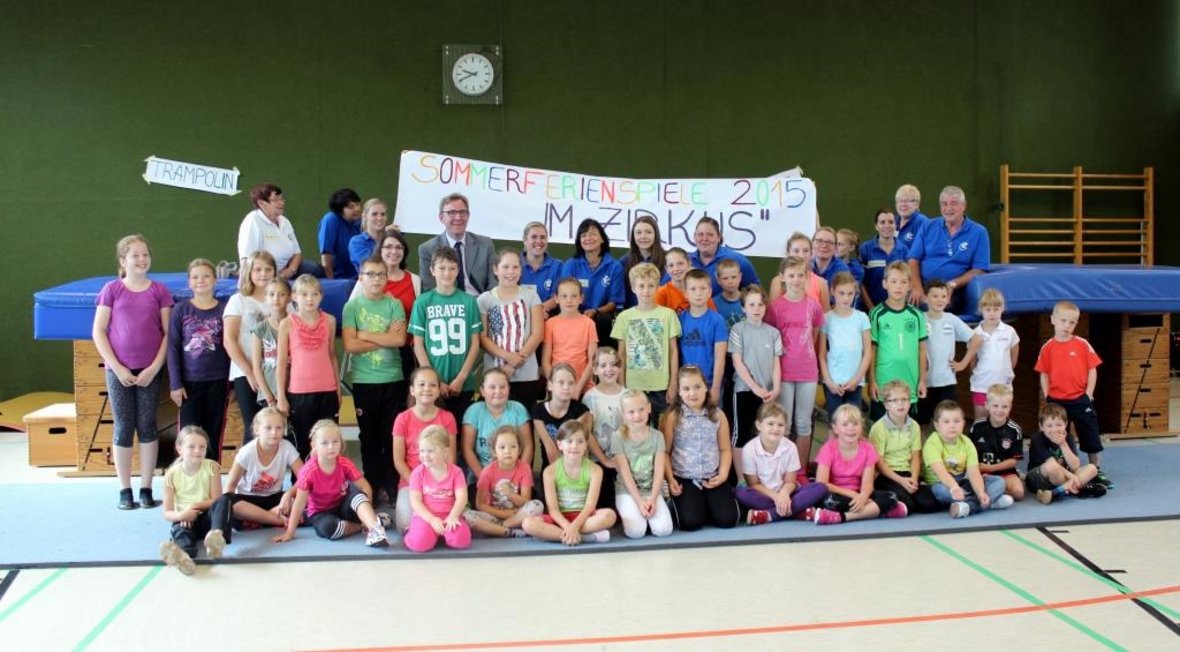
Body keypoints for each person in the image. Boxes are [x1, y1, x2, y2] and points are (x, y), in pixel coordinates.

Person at [92, 234, 173, 510]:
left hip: (149, 370)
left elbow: (166, 334)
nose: (142, 259)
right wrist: (116, 367)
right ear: (123, 260)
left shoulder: (159, 290)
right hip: (119, 370)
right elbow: (99, 331)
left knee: (148, 425)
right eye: (135, 255)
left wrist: (154, 367)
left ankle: (147, 486)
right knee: (124, 426)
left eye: (145, 254)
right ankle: (124, 488)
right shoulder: (112, 290)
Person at [342, 255, 408, 503]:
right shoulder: (352, 307)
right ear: (361, 277)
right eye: (370, 274)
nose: (376, 279)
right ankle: (370, 485)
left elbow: (399, 341)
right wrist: (383, 336)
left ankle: (391, 486)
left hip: (393, 379)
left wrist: (366, 334)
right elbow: (349, 345)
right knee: (368, 437)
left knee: (390, 436)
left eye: (381, 274)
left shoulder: (394, 305)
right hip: (364, 381)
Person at [272, 420, 390, 547]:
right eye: (325, 443)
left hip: (343, 506)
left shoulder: (344, 463)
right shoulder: (308, 471)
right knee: (328, 529)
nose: (331, 447)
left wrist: (368, 508)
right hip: (320, 513)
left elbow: (365, 486)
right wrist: (290, 533)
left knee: (358, 495)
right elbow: (299, 504)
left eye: (335, 442)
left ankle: (375, 529)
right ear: (314, 445)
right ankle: (368, 523)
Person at [1035, 300, 1110, 488]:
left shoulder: (1082, 344)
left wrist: (1088, 394)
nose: (1067, 326)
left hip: (1080, 399)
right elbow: (1044, 374)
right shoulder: (1047, 347)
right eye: (1063, 321)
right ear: (1053, 320)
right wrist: (1048, 397)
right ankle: (1064, 471)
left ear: (1076, 324)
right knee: (1059, 436)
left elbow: (1093, 369)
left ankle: (1096, 469)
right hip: (1057, 401)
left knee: (1090, 433)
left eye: (1072, 322)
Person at [409, 245, 482, 422]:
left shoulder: (468, 302)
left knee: (461, 433)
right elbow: (418, 345)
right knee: (434, 435)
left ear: (458, 270)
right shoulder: (423, 302)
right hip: (432, 385)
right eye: (441, 268)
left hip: (462, 383)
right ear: (432, 270)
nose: (447, 273)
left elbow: (475, 344)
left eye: (451, 268)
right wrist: (435, 380)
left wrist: (462, 377)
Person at [662, 366, 739, 531]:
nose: (692, 393)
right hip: (685, 478)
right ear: (680, 392)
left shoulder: (718, 415)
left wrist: (723, 474)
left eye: (697, 387)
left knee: (728, 520)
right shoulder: (674, 417)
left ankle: (708, 503)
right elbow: (666, 452)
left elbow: (725, 449)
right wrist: (671, 479)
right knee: (691, 523)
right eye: (686, 389)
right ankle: (689, 504)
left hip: (712, 477)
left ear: (706, 387)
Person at [167, 258, 229, 461]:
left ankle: (212, 479)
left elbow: (231, 346)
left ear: (215, 280)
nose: (200, 280)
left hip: (218, 382)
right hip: (188, 385)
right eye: (195, 277)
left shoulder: (224, 310)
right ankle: (186, 481)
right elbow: (173, 347)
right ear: (189, 282)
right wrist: (175, 383)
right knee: (188, 435)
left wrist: (232, 383)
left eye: (206, 276)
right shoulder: (181, 310)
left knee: (213, 433)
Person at [765, 256, 824, 469]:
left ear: (807, 277)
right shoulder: (776, 307)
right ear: (782, 278)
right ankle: (784, 467)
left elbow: (815, 331)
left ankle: (800, 469)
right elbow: (772, 337)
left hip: (807, 371)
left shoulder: (813, 305)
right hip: (784, 371)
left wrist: (805, 353)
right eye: (791, 275)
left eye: (801, 275)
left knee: (804, 423)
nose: (796, 280)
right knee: (785, 423)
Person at [276, 275, 340, 459]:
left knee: (328, 441)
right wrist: (281, 395)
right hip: (299, 393)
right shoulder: (287, 323)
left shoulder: (329, 321)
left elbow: (332, 355)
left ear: (321, 296)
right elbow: (281, 363)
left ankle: (327, 484)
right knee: (302, 443)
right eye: (304, 294)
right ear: (294, 296)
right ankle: (301, 485)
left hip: (327, 391)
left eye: (314, 294)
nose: (309, 299)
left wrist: (337, 389)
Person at [522, 421, 618, 544]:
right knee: (528, 524)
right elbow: (553, 510)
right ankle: (585, 538)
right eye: (569, 441)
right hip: (559, 519)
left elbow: (590, 506)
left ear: (586, 445)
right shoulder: (550, 472)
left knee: (610, 516)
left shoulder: (595, 470)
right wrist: (568, 527)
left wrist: (574, 526)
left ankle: (565, 535)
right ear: (559, 445)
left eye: (580, 441)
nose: (574, 446)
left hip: (584, 518)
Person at [159, 426, 234, 575]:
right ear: (180, 449)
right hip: (186, 520)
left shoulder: (212, 467)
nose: (197, 451)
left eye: (202, 447)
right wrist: (181, 516)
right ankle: (183, 557)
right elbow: (167, 512)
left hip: (208, 518)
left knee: (226, 499)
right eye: (191, 447)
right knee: (182, 534)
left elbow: (216, 500)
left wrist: (194, 506)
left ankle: (216, 538)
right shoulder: (171, 474)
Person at [612, 262, 681, 421]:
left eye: (651, 285)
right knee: (635, 428)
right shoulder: (624, 317)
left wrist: (673, 383)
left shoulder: (668, 315)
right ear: (633, 287)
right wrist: (622, 386)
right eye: (641, 286)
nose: (646, 290)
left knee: (664, 429)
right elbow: (621, 354)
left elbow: (673, 352)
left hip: (661, 386)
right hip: (634, 385)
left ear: (657, 287)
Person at [739, 403, 829, 525]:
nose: (776, 429)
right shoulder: (749, 449)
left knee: (820, 487)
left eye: (780, 425)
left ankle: (769, 515)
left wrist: (784, 494)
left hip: (788, 494)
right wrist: (776, 497)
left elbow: (790, 482)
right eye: (770, 424)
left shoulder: (791, 447)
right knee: (741, 493)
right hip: (763, 494)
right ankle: (798, 512)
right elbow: (753, 485)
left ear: (785, 427)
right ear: (759, 425)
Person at [393, 367, 458, 532]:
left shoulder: (447, 418)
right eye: (421, 384)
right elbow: (399, 461)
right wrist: (418, 485)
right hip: (411, 483)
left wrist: (438, 484)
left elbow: (450, 458)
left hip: (442, 483)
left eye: (432, 385)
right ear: (412, 390)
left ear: (438, 391)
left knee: (453, 524)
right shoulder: (402, 419)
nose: (427, 389)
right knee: (404, 527)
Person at [923, 400, 1013, 518]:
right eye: (946, 422)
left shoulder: (967, 442)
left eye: (957, 421)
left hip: (964, 483)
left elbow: (974, 473)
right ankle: (989, 503)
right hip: (942, 484)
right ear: (937, 425)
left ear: (963, 423)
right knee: (942, 491)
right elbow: (941, 473)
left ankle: (969, 506)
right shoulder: (932, 443)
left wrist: (980, 492)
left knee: (999, 482)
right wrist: (954, 487)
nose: (952, 425)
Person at [907, 185, 990, 312]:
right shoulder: (927, 226)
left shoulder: (979, 232)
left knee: (933, 306)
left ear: (964, 206)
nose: (948, 208)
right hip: (924, 287)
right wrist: (916, 287)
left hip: (954, 291)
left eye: (954, 203)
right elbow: (913, 260)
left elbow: (979, 270)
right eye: (944, 204)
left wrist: (952, 284)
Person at [478, 249, 544, 408]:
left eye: (515, 267)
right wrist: (508, 357)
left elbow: (537, 334)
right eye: (505, 267)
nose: (510, 272)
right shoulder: (484, 299)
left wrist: (514, 363)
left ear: (521, 270)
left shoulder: (531, 296)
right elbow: (482, 338)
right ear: (495, 269)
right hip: (494, 375)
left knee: (524, 423)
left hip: (526, 375)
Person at [728, 285, 782, 477]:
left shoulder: (773, 333)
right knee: (740, 435)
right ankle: (742, 479)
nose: (756, 308)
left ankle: (763, 476)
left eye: (760, 304)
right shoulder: (737, 330)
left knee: (765, 435)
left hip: (767, 394)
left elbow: (776, 364)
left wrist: (775, 388)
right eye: (751, 304)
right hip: (744, 390)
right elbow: (737, 362)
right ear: (743, 308)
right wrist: (755, 388)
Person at [224, 250, 277, 437]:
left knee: (276, 427)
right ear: (249, 273)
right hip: (246, 373)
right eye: (258, 270)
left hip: (276, 372)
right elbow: (229, 340)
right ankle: (250, 467)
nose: (263, 274)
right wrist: (249, 372)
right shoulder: (238, 300)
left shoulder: (281, 300)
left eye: (268, 269)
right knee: (254, 427)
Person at [223, 407, 303, 529]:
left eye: (279, 428)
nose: (274, 432)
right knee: (231, 506)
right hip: (248, 500)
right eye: (268, 428)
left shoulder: (286, 447)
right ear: (257, 429)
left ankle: (258, 520)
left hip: (274, 498)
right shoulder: (247, 452)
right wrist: (226, 507)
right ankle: (277, 520)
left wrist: (288, 495)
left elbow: (305, 477)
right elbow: (229, 487)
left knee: (302, 499)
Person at [869, 380, 940, 514]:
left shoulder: (914, 426)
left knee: (930, 505)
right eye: (894, 400)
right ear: (886, 405)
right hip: (888, 475)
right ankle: (880, 498)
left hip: (907, 472)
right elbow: (879, 462)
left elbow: (915, 457)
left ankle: (904, 494)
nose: (900, 404)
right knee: (909, 504)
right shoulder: (879, 428)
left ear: (910, 402)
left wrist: (913, 478)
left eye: (904, 399)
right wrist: (901, 481)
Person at [868, 262, 928, 421]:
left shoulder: (917, 315)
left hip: (910, 383)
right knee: (881, 433)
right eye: (893, 281)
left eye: (903, 282)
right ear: (884, 284)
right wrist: (872, 381)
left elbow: (922, 350)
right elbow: (871, 351)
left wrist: (922, 380)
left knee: (912, 431)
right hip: (883, 382)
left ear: (910, 285)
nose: (898, 286)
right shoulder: (877, 314)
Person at [612, 391, 673, 538]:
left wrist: (652, 499)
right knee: (636, 533)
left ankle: (654, 513)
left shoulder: (657, 436)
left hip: (651, 491)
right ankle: (637, 515)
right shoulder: (618, 437)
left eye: (641, 410)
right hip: (628, 491)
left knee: (664, 530)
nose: (637, 416)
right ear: (623, 414)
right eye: (631, 412)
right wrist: (639, 502)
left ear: (649, 408)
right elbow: (625, 474)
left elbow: (659, 471)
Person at [464, 426, 543, 538]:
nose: (507, 451)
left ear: (519, 450)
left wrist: (511, 495)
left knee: (537, 505)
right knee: (467, 515)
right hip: (494, 515)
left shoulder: (524, 468)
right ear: (494, 452)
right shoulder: (487, 471)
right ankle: (507, 531)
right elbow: (480, 504)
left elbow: (526, 502)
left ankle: (498, 528)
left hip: (517, 514)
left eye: (513, 447)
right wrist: (504, 514)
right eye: (502, 447)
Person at [404, 425, 473, 552]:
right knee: (419, 544)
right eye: (422, 451)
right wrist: (431, 519)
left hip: (449, 515)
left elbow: (462, 498)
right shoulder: (417, 473)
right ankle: (413, 531)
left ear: (445, 452)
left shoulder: (456, 472)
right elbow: (415, 502)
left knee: (462, 541)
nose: (425, 455)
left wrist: (453, 516)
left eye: (430, 451)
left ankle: (440, 534)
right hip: (426, 516)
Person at [917, 279, 976, 426]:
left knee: (947, 423)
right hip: (925, 382)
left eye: (943, 296)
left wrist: (963, 363)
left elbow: (976, 339)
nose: (939, 300)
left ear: (948, 299)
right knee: (922, 424)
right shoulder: (919, 319)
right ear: (925, 298)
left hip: (947, 382)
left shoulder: (951, 320)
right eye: (935, 296)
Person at [1025, 403, 1106, 504]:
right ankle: (1078, 488)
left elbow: (1075, 466)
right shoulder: (1037, 438)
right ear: (1041, 426)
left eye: (1058, 425)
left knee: (1092, 468)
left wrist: (1063, 444)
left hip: (1063, 477)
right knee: (1053, 468)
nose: (1054, 429)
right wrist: (1073, 478)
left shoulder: (1068, 438)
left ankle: (1056, 493)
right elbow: (1052, 464)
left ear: (1066, 424)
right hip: (1040, 478)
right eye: (1049, 426)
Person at [561, 218, 625, 345]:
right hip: (574, 311)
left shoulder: (614, 266)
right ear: (580, 241)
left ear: (602, 239)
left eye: (593, 234)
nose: (588, 238)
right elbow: (563, 296)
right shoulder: (571, 265)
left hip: (601, 315)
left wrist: (595, 311)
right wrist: (577, 313)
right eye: (583, 235)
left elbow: (614, 302)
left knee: (604, 320)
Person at [418, 192, 496, 295]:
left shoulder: (485, 244)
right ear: (441, 217)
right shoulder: (427, 249)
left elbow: (494, 284)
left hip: (480, 304)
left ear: (468, 216)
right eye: (451, 213)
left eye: (462, 212)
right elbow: (429, 289)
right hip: (446, 305)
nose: (458, 217)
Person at [462, 368, 531, 480]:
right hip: (482, 474)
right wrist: (484, 479)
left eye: (503, 387)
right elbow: (467, 448)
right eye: (492, 387)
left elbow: (527, 446)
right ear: (482, 391)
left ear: (509, 389)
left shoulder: (518, 409)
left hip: (513, 475)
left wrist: (518, 477)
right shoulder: (474, 411)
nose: (498, 391)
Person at [818, 271, 871, 421]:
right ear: (833, 291)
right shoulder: (827, 319)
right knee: (834, 424)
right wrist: (828, 381)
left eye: (850, 293)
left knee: (853, 423)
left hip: (855, 382)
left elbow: (867, 353)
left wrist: (857, 379)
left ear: (856, 293)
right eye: (841, 293)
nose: (846, 298)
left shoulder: (862, 318)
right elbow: (822, 354)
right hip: (833, 383)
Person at [961, 288, 1019, 420]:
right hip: (981, 385)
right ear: (981, 310)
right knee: (981, 421)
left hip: (1003, 386)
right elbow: (972, 360)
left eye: (996, 309)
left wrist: (1006, 372)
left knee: (1001, 420)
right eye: (988, 309)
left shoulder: (1010, 332)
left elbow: (1013, 357)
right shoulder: (975, 333)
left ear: (1002, 308)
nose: (992, 313)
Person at [237, 183, 311, 281]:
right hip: (265, 276)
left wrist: (290, 270)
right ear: (261, 203)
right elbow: (247, 261)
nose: (281, 203)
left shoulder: (284, 221)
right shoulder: (252, 222)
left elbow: (297, 253)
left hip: (289, 269)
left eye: (282, 199)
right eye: (276, 200)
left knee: (317, 269)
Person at [678, 269, 728, 409]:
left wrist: (716, 388)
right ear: (686, 294)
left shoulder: (717, 320)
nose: (698, 293)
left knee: (713, 424)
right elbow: (675, 354)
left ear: (710, 292)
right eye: (693, 289)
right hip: (686, 387)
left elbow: (720, 357)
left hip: (710, 385)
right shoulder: (679, 319)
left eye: (702, 288)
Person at [581, 347, 625, 507]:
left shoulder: (627, 395)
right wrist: (604, 460)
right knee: (605, 505)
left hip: (624, 459)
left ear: (620, 368)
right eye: (603, 365)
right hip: (599, 460)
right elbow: (587, 433)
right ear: (595, 369)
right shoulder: (590, 397)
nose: (609, 369)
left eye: (613, 365)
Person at [542, 277, 598, 398]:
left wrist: (578, 388)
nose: (569, 300)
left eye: (574, 296)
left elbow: (592, 360)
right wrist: (554, 384)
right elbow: (545, 361)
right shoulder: (550, 324)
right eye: (564, 296)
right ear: (556, 298)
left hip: (583, 387)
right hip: (557, 387)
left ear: (581, 298)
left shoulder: (589, 323)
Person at [970, 384, 1025, 501]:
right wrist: (978, 469)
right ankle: (996, 495)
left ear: (1010, 408)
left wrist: (991, 468)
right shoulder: (977, 426)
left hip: (1005, 472)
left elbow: (1013, 461)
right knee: (973, 487)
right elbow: (969, 452)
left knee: (1019, 493)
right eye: (995, 406)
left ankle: (996, 493)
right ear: (987, 405)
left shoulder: (1015, 429)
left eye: (1004, 407)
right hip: (981, 472)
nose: (999, 410)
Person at [533, 363, 593, 467]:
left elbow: (576, 446)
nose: (566, 387)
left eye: (571, 383)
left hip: (575, 467)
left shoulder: (581, 411)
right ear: (550, 385)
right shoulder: (538, 410)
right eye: (561, 382)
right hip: (551, 469)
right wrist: (559, 476)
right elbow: (549, 446)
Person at [689, 216, 759, 295]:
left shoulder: (738, 260)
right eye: (700, 234)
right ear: (694, 237)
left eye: (710, 235)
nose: (705, 238)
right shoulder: (685, 262)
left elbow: (756, 292)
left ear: (719, 237)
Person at [251, 279, 290, 412]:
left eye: (282, 294)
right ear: (265, 297)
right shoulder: (260, 329)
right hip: (268, 392)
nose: (276, 299)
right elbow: (256, 366)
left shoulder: (295, 324)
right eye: (272, 294)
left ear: (290, 297)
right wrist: (269, 397)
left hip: (293, 389)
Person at [859, 207, 909, 310]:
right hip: (869, 308)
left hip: (896, 308)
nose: (887, 226)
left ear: (896, 225)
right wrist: (871, 308)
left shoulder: (904, 250)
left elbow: (907, 281)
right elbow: (860, 283)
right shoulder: (865, 249)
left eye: (891, 222)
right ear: (876, 226)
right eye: (882, 222)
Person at [769, 232, 830, 308]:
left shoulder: (821, 283)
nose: (801, 255)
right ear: (788, 254)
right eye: (796, 251)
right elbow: (772, 315)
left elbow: (826, 317)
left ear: (811, 254)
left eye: (805, 251)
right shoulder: (778, 282)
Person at [624, 215, 670, 308]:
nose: (643, 236)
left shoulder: (668, 260)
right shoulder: (624, 262)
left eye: (648, 232)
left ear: (655, 235)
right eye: (638, 232)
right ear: (633, 236)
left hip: (662, 312)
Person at [317, 188, 363, 280]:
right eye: (351, 207)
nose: (357, 209)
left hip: (359, 277)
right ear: (340, 210)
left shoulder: (360, 221)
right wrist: (331, 281)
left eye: (357, 205)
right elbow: (326, 254)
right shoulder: (330, 220)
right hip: (339, 277)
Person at [520, 221, 563, 315]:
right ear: (525, 240)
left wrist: (538, 311)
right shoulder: (514, 264)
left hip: (548, 316)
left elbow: (559, 296)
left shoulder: (557, 266)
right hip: (518, 316)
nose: (539, 241)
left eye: (543, 237)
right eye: (534, 237)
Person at [656, 247, 713, 314]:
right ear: (666, 269)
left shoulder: (700, 290)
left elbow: (713, 317)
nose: (676, 269)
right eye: (671, 265)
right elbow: (654, 320)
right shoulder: (661, 293)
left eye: (680, 263)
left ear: (689, 263)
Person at [347, 198, 388, 276]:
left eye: (383, 214)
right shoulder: (356, 242)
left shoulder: (390, 239)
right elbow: (373, 266)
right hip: (369, 285)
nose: (379, 218)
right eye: (374, 214)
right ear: (365, 216)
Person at [810, 226, 851, 302]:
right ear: (812, 244)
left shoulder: (842, 270)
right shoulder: (804, 266)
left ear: (835, 248)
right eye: (819, 241)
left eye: (829, 242)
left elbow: (841, 301)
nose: (824, 245)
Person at [894, 184, 930, 249]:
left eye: (908, 201)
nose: (903, 204)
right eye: (900, 201)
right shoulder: (893, 222)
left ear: (917, 204)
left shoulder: (923, 223)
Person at [712, 259, 746, 328]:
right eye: (725, 278)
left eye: (734, 277)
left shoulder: (749, 300)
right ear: (718, 280)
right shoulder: (713, 303)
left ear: (740, 277)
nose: (730, 282)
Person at [835, 228, 864, 302]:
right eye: (834, 243)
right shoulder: (830, 262)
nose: (835, 247)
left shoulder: (856, 268)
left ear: (851, 247)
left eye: (840, 244)